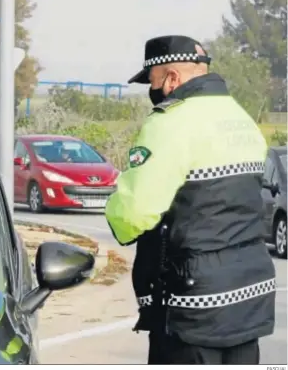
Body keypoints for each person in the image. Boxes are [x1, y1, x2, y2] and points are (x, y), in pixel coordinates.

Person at [105, 35, 276, 365]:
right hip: (250, 294)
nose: (150, 92)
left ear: (172, 79)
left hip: (195, 302)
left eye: (151, 82)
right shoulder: (242, 119)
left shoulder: (170, 122)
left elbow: (136, 211)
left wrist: (115, 206)